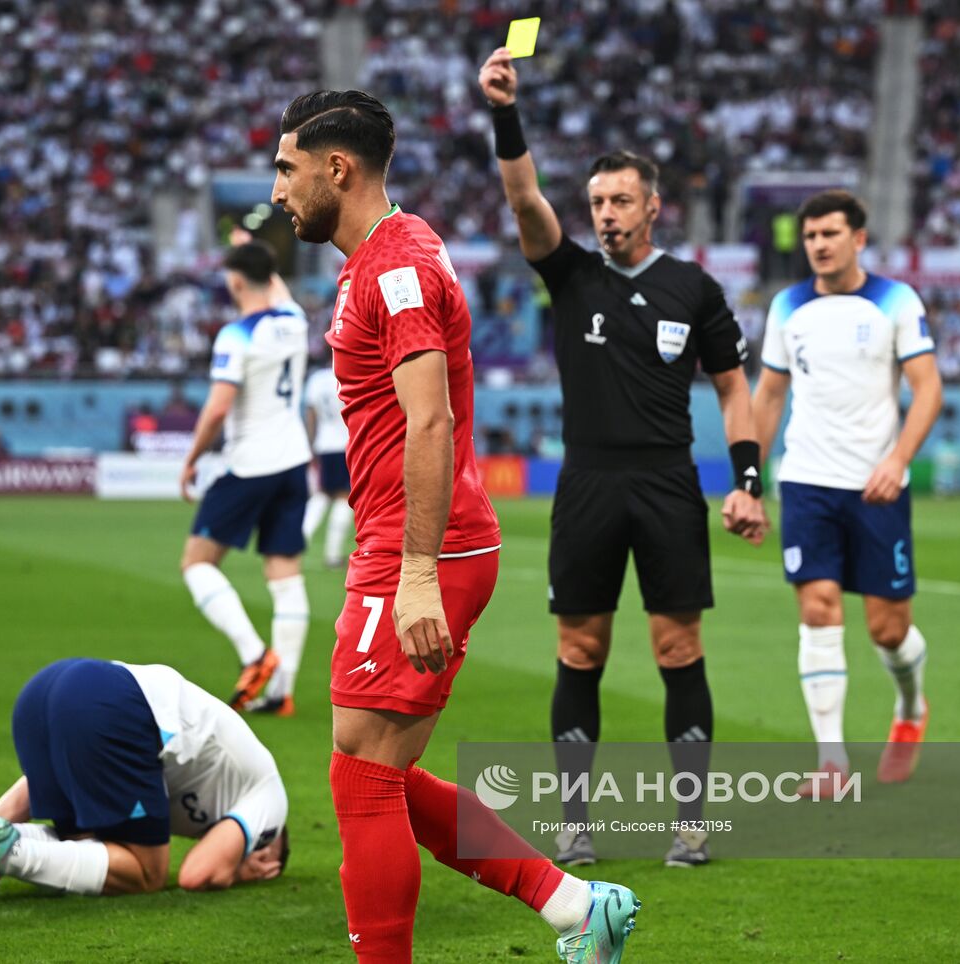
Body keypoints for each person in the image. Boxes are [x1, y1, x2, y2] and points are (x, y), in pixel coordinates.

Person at [272, 89, 639, 963]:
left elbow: (430, 421)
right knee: (375, 770)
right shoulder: (382, 255)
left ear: (336, 169)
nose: (277, 190)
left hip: (422, 546)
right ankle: (574, 906)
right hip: (404, 538)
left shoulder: (395, 267)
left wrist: (416, 572)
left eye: (287, 169)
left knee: (363, 779)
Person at [479, 47, 768, 868]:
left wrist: (748, 480)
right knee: (580, 650)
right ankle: (576, 823)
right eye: (598, 202)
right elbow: (523, 196)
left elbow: (733, 389)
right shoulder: (571, 275)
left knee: (679, 648)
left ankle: (691, 823)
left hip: (669, 482)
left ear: (652, 208)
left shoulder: (695, 289)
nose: (606, 214)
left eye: (620, 201)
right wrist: (506, 111)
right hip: (589, 484)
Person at [751, 189, 944, 790]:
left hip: (876, 487)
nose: (819, 245)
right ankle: (831, 762)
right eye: (811, 236)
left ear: (858, 239)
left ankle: (910, 707)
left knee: (888, 629)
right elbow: (769, 396)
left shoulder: (895, 300)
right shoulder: (787, 306)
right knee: (817, 609)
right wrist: (748, 480)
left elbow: (928, 388)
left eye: (830, 234)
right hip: (806, 481)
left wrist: (898, 459)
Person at [0, 658, 289, 906]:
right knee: (148, 873)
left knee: (90, 845)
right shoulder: (269, 797)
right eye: (266, 857)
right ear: (271, 845)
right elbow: (197, 874)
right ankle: (11, 853)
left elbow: (35, 784)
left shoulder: (214, 788)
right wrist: (237, 869)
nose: (259, 857)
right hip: (113, 702)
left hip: (45, 691)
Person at [179, 241, 311, 717]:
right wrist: (252, 254)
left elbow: (218, 408)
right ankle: (282, 691)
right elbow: (275, 285)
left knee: (197, 563)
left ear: (235, 281)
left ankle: (255, 656)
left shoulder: (236, 335)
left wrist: (192, 458)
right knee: (285, 574)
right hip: (294, 460)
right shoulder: (295, 321)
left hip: (250, 464)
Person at [301, 347, 354, 568]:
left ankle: (298, 541)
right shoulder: (348, 374)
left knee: (322, 494)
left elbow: (311, 414)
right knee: (344, 496)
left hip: (324, 444)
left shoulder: (316, 379)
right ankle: (333, 555)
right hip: (346, 443)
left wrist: (311, 444)